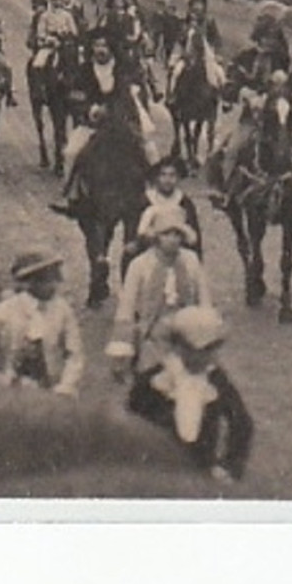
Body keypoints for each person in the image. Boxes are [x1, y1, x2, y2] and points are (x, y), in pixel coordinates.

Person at [125, 305, 252, 483]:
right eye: (201, 351)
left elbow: (241, 423)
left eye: (212, 350)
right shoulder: (154, 380)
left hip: (201, 467)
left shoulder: (215, 379)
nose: (209, 357)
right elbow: (131, 422)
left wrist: (229, 466)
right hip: (156, 469)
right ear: (178, 347)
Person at [107, 204, 214, 379]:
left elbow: (205, 300)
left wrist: (205, 336)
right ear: (156, 237)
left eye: (177, 234)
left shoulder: (190, 260)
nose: (173, 239)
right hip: (152, 336)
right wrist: (121, 353)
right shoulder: (140, 265)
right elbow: (126, 309)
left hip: (185, 336)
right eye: (166, 234)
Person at [208, 69, 292, 213]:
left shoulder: (286, 60)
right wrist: (244, 93)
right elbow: (229, 86)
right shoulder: (249, 59)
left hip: (285, 120)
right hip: (253, 120)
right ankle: (225, 192)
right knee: (233, 148)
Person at [0, 251, 85, 396]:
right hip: (7, 392)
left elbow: (74, 355)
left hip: (52, 392)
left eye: (56, 278)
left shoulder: (62, 311)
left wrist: (66, 386)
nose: (55, 285)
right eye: (48, 280)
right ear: (31, 282)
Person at [125, 156, 203, 267]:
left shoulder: (184, 203)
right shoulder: (145, 201)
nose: (167, 180)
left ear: (178, 178)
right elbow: (134, 230)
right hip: (149, 250)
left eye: (172, 176)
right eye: (163, 175)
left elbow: (194, 237)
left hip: (177, 252)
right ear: (157, 177)